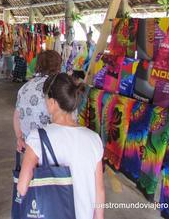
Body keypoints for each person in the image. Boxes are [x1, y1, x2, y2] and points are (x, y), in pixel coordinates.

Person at [17, 73, 104, 219]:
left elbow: (22, 187)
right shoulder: (94, 139)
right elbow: (99, 190)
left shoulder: (37, 137)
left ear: (52, 102)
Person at [13, 50, 62, 152]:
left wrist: (19, 138)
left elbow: (17, 115)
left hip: (29, 146)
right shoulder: (57, 87)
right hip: (51, 148)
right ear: (58, 66)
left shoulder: (25, 87)